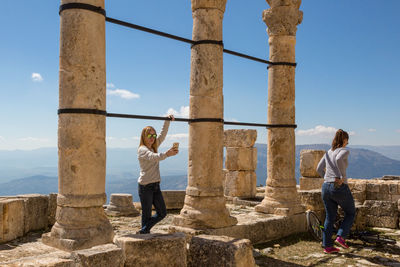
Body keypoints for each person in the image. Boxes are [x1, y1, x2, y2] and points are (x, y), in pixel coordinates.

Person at [136, 115, 178, 234]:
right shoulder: (142, 150)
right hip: (145, 186)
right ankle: (144, 233)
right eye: (150, 135)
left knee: (162, 212)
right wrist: (167, 154)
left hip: (155, 185)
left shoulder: (153, 147)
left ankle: (143, 231)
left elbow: (162, 134)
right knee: (146, 213)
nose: (153, 138)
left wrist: (167, 121)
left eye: (154, 135)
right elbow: (153, 157)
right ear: (144, 136)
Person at [316, 129, 355, 254]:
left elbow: (318, 169)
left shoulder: (328, 152)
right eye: (347, 140)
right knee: (350, 212)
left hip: (326, 186)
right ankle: (340, 237)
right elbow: (338, 160)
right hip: (339, 187)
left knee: (330, 217)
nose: (347, 143)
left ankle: (327, 246)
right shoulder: (344, 150)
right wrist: (341, 177)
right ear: (344, 140)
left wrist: (327, 178)